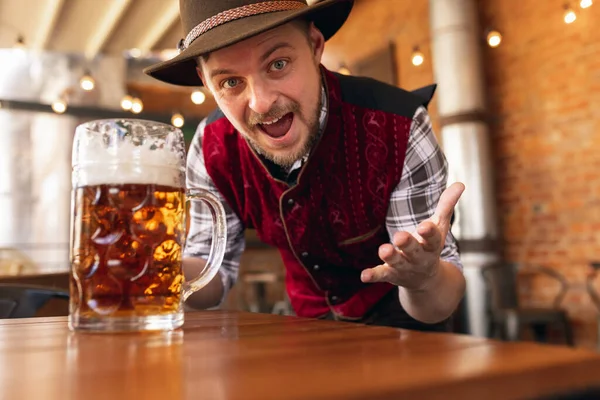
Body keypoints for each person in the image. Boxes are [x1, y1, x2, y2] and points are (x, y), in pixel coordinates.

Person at [145, 0, 466, 332]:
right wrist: (158, 266)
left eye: (278, 64)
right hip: (307, 331)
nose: (261, 101)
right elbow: (210, 277)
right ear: (205, 82)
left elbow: (436, 306)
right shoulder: (210, 149)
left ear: (315, 46)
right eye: (229, 82)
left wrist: (424, 278)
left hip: (408, 332)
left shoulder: (400, 126)